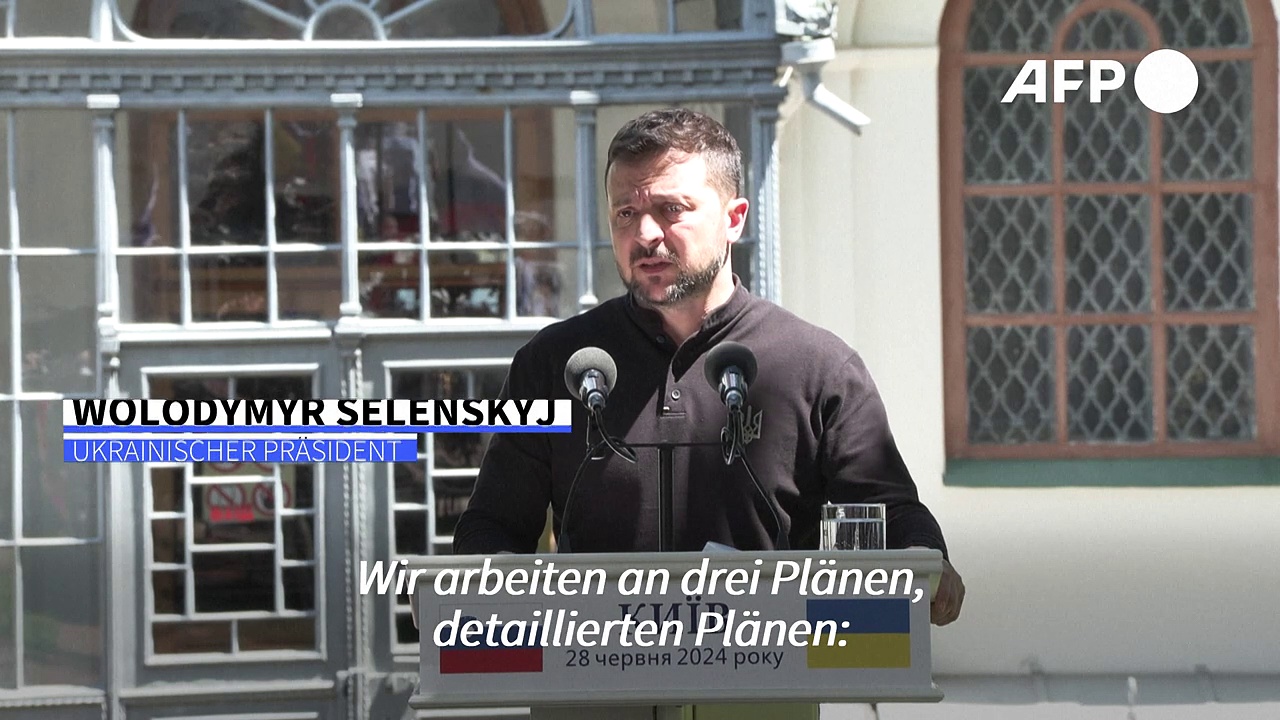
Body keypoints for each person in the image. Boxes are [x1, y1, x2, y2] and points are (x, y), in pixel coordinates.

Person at [453, 108, 964, 625]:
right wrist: (486, 588)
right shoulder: (551, 364)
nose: (645, 234)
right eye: (625, 213)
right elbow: (491, 525)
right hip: (592, 664)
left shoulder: (819, 368)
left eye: (671, 209)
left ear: (734, 219)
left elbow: (887, 514)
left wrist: (924, 558)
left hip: (769, 663)